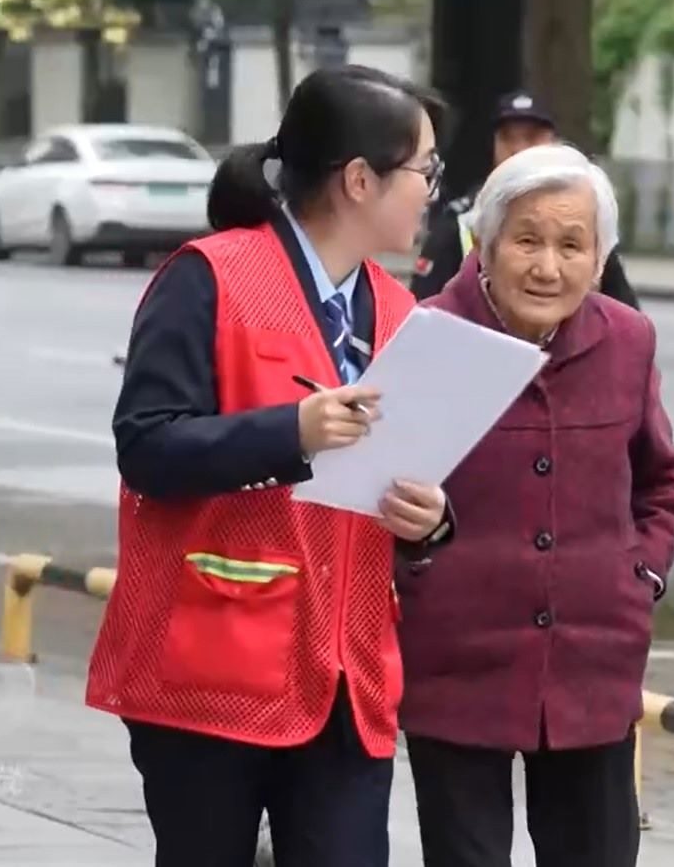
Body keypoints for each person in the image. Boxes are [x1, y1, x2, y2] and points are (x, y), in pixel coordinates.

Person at [88, 64, 457, 867]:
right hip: (212, 669)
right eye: (424, 171)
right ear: (359, 180)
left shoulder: (400, 313)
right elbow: (146, 447)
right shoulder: (210, 277)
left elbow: (402, 476)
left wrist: (430, 521)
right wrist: (290, 432)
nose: (432, 192)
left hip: (345, 676)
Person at [398, 143, 674, 867]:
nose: (548, 267)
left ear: (600, 260)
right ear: (485, 244)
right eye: (527, 241)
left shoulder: (627, 340)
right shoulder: (428, 336)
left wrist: (641, 574)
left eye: (571, 246)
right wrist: (418, 558)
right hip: (455, 665)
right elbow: (371, 490)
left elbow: (662, 482)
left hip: (593, 665)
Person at [410, 90, 639, 309]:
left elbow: (624, 313)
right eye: (508, 138)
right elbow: (423, 310)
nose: (518, 149)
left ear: (555, 142)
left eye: (531, 138)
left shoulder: (586, 215)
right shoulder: (462, 221)